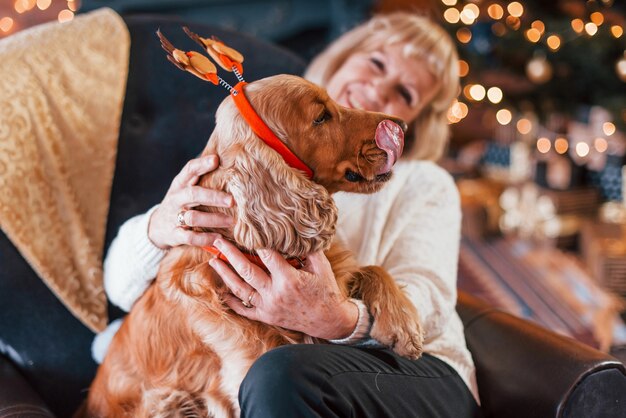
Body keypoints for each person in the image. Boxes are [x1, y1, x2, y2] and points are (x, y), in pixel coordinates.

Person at [101, 12, 482, 417]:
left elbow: (432, 304)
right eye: (377, 63)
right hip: (291, 380)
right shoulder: (253, 143)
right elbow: (120, 289)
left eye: (405, 93)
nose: (377, 92)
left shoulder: (424, 182)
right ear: (344, 56)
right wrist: (160, 228)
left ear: (419, 117)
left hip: (411, 372)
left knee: (275, 374)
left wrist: (337, 319)